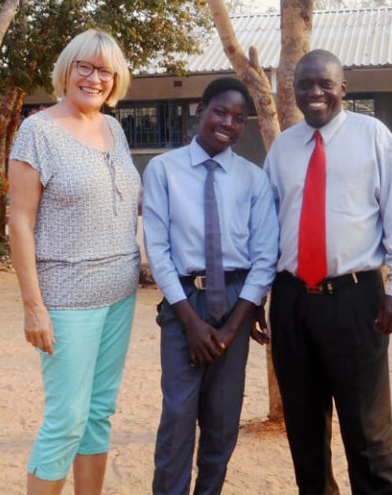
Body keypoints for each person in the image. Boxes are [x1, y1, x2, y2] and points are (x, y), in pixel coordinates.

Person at [263, 49, 392, 495]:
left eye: (325, 84)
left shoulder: (372, 136)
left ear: (343, 88)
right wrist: (260, 296)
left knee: (367, 430)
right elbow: (267, 230)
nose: (315, 92)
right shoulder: (282, 149)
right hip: (293, 300)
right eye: (305, 84)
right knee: (304, 429)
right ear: (293, 90)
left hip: (357, 300)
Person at [8, 29, 140, 495]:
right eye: (84, 66)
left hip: (119, 296)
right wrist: (33, 306)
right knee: (67, 418)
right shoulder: (38, 131)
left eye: (105, 70)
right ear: (67, 70)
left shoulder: (114, 128)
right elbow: (19, 222)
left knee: (99, 413)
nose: (94, 77)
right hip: (66, 298)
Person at [142, 77, 278, 495]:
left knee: (222, 423)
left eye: (239, 118)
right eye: (220, 111)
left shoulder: (253, 179)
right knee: (178, 419)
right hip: (184, 304)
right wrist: (191, 322)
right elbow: (158, 250)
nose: (228, 123)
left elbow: (264, 256)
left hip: (236, 305)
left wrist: (233, 326)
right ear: (200, 110)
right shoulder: (164, 170)